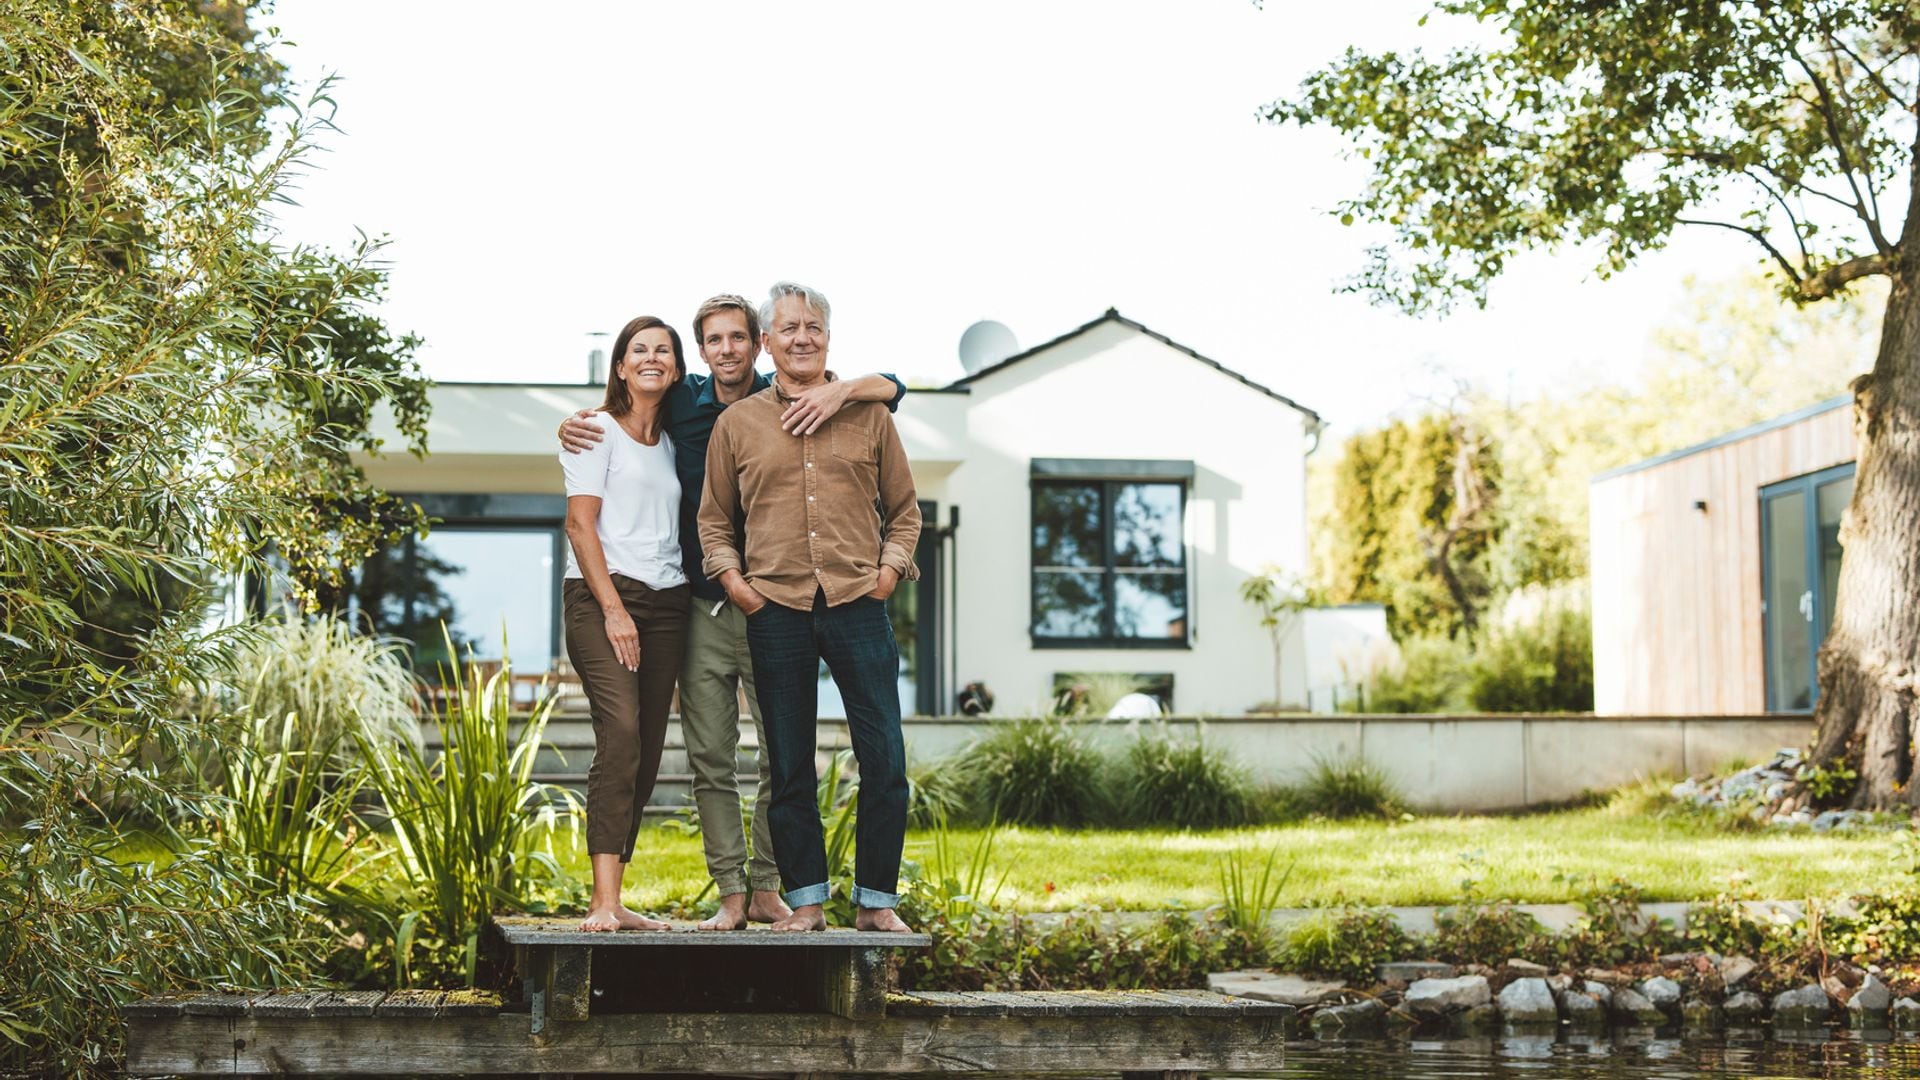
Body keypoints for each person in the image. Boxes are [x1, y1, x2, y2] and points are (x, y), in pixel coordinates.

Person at [558, 295, 905, 930]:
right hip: (699, 605)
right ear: (703, 351)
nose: (727, 349)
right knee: (709, 760)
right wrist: (578, 423)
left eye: (738, 338)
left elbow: (890, 391)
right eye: (713, 340)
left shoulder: (805, 397)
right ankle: (731, 895)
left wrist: (852, 389)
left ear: (759, 345)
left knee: (786, 752)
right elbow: (643, 451)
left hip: (787, 607)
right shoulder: (688, 403)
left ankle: (777, 889)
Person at [699, 281, 920, 934]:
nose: (801, 337)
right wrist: (737, 584)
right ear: (767, 342)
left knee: (885, 759)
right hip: (777, 610)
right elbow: (714, 521)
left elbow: (905, 512)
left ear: (828, 338)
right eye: (788, 328)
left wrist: (888, 572)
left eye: (813, 327)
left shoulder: (869, 415)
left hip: (859, 603)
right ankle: (808, 902)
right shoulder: (737, 425)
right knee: (789, 763)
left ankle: (877, 902)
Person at [559, 315, 691, 932]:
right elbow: (580, 525)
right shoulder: (594, 430)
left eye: (663, 350)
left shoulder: (674, 440)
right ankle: (601, 902)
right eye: (639, 349)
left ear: (675, 366)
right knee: (622, 732)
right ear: (619, 366)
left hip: (669, 604)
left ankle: (618, 897)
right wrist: (614, 610)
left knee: (649, 747)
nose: (651, 358)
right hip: (601, 597)